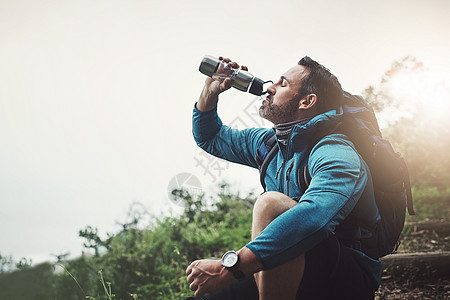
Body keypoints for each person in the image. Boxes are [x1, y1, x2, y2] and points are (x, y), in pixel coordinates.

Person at [186, 56, 382, 300]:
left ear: (307, 101)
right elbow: (211, 138)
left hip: (344, 281)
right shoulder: (267, 144)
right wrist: (210, 91)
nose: (270, 87)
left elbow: (313, 218)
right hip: (284, 263)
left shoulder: (336, 152)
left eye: (283, 84)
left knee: (272, 206)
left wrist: (230, 267)